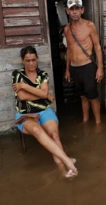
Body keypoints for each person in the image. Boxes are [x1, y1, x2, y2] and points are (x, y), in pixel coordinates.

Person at [12, 45, 78, 179]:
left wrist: (25, 86)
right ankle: (65, 163)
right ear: (22, 61)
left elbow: (41, 92)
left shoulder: (43, 74)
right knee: (37, 131)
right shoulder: (17, 74)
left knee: (54, 135)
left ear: (37, 59)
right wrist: (44, 95)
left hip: (44, 111)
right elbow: (22, 97)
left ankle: (67, 170)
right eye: (28, 60)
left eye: (33, 60)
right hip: (25, 114)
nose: (31, 63)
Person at [63, 0, 104, 125]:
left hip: (87, 66)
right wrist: (67, 70)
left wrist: (100, 68)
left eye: (77, 8)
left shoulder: (89, 25)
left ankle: (98, 123)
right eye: (72, 9)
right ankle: (85, 120)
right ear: (67, 11)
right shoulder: (66, 29)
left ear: (82, 10)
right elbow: (69, 50)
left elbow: (97, 46)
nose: (74, 12)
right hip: (75, 68)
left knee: (92, 96)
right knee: (82, 96)